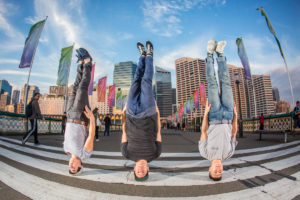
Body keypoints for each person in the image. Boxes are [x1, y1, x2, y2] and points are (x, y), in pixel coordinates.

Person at [121, 41, 162, 181]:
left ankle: (142, 56)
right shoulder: (155, 154)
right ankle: (149, 55)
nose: (140, 170)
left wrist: (124, 112)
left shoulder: (127, 154)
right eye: (143, 172)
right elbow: (158, 132)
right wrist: (157, 112)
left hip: (131, 113)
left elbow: (123, 131)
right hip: (148, 112)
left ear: (134, 169)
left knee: (136, 81)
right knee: (146, 82)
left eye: (138, 172)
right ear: (148, 169)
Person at [199, 40, 238, 181]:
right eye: (220, 173)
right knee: (226, 82)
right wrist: (236, 116)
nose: (218, 170)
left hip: (214, 115)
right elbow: (233, 132)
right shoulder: (229, 154)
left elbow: (203, 131)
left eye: (215, 172)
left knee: (212, 83)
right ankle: (220, 54)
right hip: (228, 114)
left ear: (209, 169)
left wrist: (205, 114)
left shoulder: (205, 153)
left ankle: (209, 56)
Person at [63, 48, 95, 175]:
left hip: (70, 115)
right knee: (82, 88)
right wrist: (91, 118)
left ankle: (81, 64)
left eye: (70, 168)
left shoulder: (66, 150)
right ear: (80, 165)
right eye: (74, 168)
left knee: (75, 86)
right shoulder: (84, 155)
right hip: (80, 117)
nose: (71, 166)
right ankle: (88, 63)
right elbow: (91, 135)